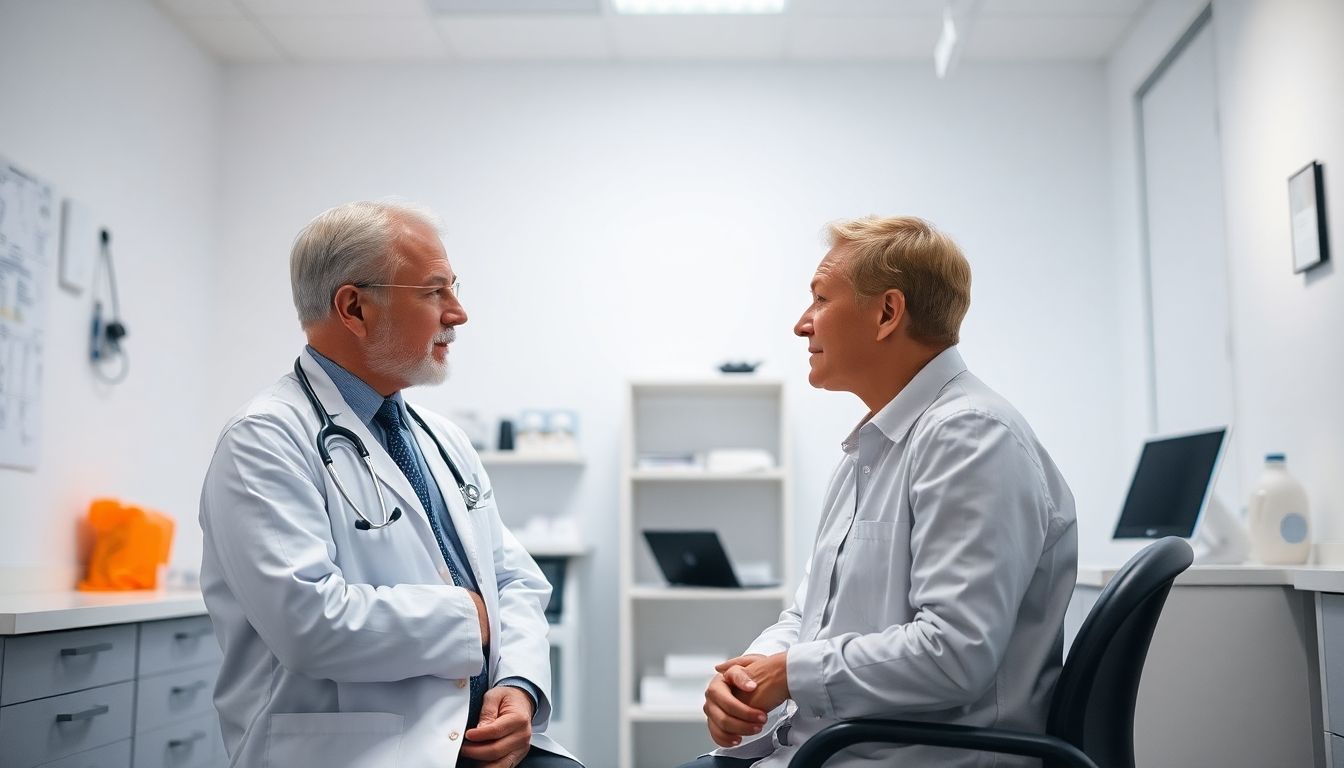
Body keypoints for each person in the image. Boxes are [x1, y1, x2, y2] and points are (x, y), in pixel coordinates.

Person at [681, 216, 1078, 768]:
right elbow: (808, 617)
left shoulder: (970, 436)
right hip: (833, 748)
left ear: (888, 313)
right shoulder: (874, 448)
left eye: (820, 299)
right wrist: (750, 675)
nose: (802, 324)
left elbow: (954, 653)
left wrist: (791, 672)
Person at [199, 201, 580, 768]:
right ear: (354, 307)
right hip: (355, 752)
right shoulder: (264, 438)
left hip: (475, 741)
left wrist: (519, 686)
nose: (459, 313)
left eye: (454, 289)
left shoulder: (441, 437)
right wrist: (466, 616)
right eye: (434, 292)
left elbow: (515, 580)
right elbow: (310, 625)